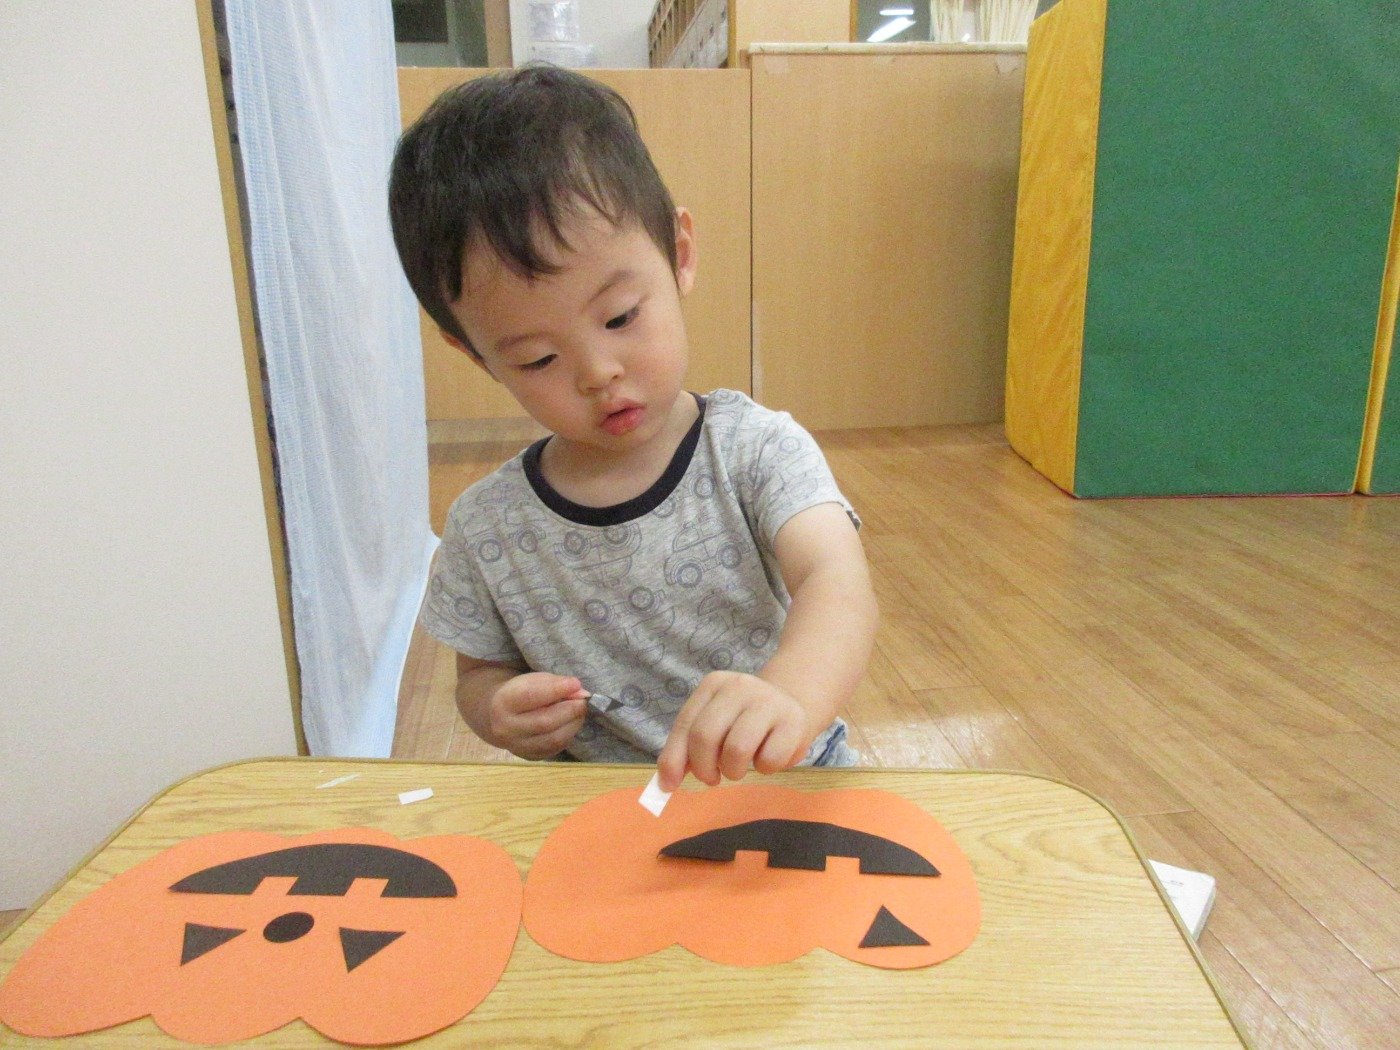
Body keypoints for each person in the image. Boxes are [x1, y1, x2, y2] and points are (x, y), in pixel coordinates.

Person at [388, 65, 877, 792]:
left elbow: (836, 582)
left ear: (679, 255)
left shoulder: (754, 451)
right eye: (538, 358)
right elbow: (479, 671)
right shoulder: (487, 526)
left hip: (783, 779)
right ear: (475, 354)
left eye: (620, 317)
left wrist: (790, 695)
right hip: (607, 804)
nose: (597, 372)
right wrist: (496, 709)